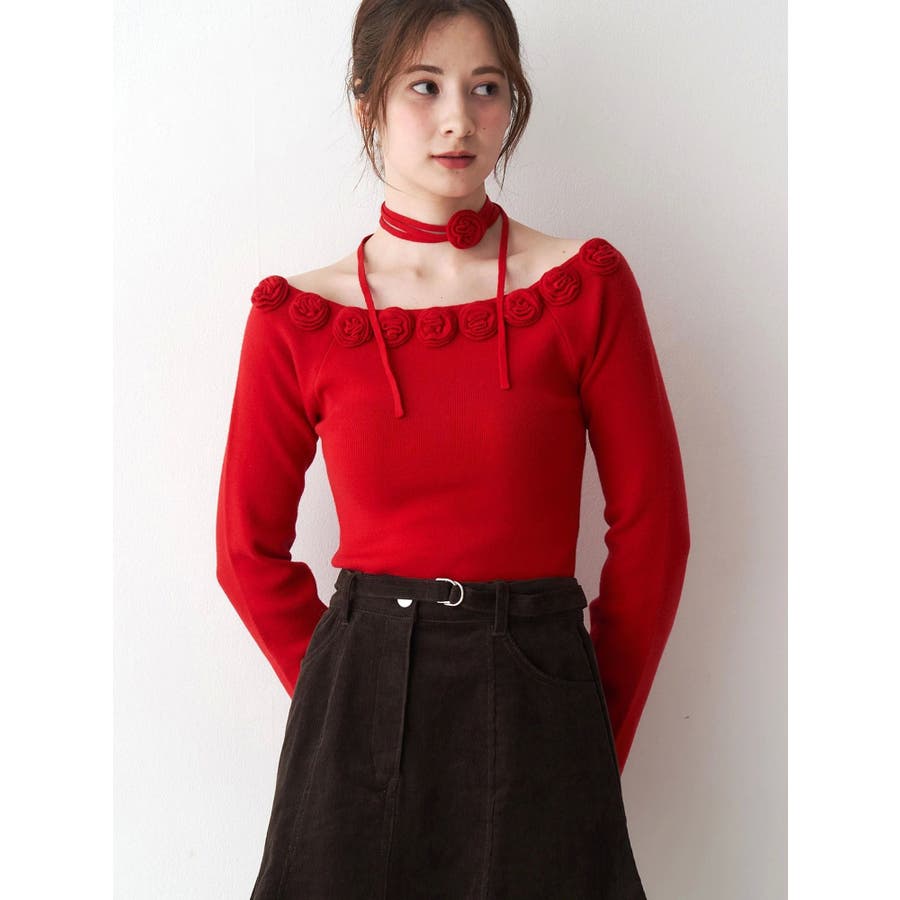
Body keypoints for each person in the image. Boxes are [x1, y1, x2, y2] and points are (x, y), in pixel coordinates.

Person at [215, 1, 690, 897]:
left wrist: (588, 730)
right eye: (424, 87)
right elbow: (247, 552)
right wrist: (343, 705)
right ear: (367, 101)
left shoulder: (583, 288)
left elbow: (654, 535)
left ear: (514, 101)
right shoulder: (298, 319)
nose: (458, 120)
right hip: (360, 700)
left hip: (543, 701)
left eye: (486, 88)